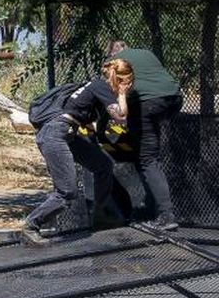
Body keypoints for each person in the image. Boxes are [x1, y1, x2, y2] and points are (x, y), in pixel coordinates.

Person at [21, 59, 134, 245]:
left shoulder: (98, 89)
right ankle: (31, 225)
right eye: (128, 82)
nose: (129, 87)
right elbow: (121, 117)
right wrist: (122, 93)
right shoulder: (101, 85)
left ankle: (100, 214)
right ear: (120, 79)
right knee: (67, 191)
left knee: (103, 165)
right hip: (56, 133)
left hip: (67, 133)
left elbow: (102, 127)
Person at [108, 40, 183, 230]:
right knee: (150, 156)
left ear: (113, 52)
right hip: (174, 98)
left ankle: (165, 215)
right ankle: (153, 207)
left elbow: (115, 96)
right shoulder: (146, 53)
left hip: (148, 103)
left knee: (147, 159)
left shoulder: (115, 61)